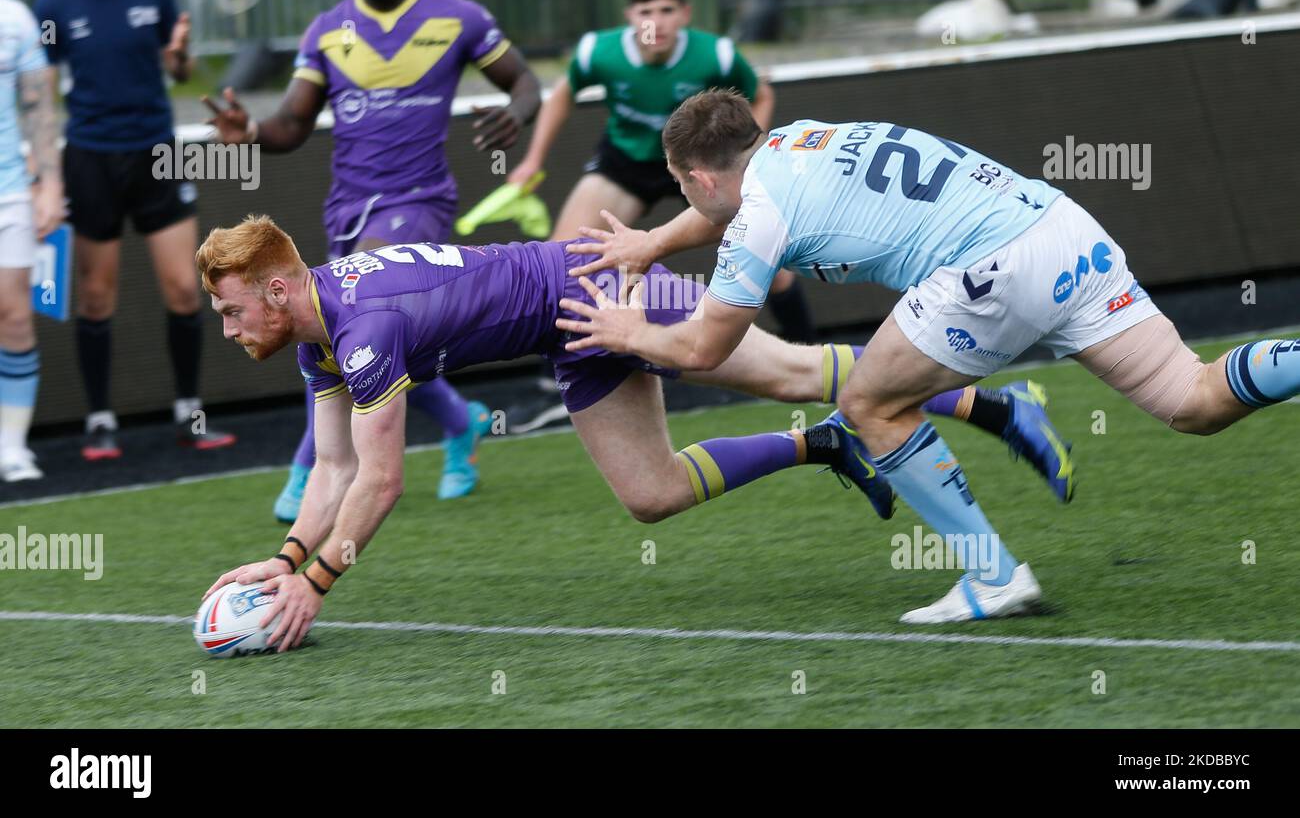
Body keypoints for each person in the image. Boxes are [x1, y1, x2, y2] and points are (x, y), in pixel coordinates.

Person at [561, 89, 1300, 623]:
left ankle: (993, 577)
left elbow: (704, 346)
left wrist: (629, 334)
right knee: (1195, 402)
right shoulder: (796, 140)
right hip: (1061, 227)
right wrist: (654, 242)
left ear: (696, 176)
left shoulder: (755, 216)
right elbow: (726, 206)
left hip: (990, 268)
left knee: (868, 404)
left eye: (681, 188)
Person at [194, 216, 1068, 650]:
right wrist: (283, 560)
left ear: (276, 290)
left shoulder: (363, 331)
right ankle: (827, 445)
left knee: (794, 372)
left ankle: (997, 404)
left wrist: (319, 583)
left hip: (599, 288)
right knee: (650, 495)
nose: (230, 332)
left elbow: (380, 483)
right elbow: (334, 465)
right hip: (567, 328)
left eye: (232, 312)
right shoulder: (318, 335)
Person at [204, 0, 541, 519]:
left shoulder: (458, 18)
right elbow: (293, 125)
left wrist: (516, 115)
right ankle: (461, 421)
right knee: (357, 337)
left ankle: (306, 474)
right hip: (347, 210)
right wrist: (249, 133)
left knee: (345, 324)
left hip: (418, 206)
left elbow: (525, 81)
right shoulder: (328, 31)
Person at [504, 0, 817, 343]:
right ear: (629, 17)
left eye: (667, 11)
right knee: (563, 258)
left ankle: (807, 350)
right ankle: (557, 371)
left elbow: (762, 94)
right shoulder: (597, 53)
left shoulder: (715, 55)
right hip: (625, 163)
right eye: (646, 12)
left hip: (700, 163)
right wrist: (533, 160)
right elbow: (562, 94)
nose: (657, 22)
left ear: (685, 14)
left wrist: (752, 159)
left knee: (772, 259)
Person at [34, 0, 234, 461]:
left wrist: (179, 55)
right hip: (90, 159)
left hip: (157, 154)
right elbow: (43, 96)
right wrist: (46, 172)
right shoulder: (54, 5)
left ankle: (188, 413)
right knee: (96, 296)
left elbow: (178, 66)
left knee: (184, 287)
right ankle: (100, 420)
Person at [0, 0, 64, 481]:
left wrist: (50, 183)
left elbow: (40, 105)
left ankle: (13, 448)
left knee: (14, 314)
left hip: (10, 190)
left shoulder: (15, 17)